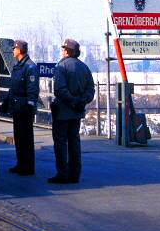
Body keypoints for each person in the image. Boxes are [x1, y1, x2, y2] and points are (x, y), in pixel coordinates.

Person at [48, 38, 95, 184]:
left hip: (63, 111)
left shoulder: (61, 66)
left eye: (63, 49)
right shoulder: (84, 67)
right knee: (74, 142)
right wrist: (80, 102)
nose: (61, 51)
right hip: (77, 112)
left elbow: (59, 89)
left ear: (67, 51)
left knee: (61, 142)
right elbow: (90, 91)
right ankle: (75, 174)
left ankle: (62, 174)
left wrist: (72, 101)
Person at [7, 39, 39, 176]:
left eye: (14, 49)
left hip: (24, 106)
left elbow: (32, 88)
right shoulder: (18, 66)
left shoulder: (30, 67)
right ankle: (21, 163)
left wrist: (30, 104)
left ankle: (28, 167)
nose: (13, 51)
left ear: (19, 50)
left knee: (26, 138)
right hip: (17, 105)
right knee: (19, 137)